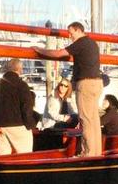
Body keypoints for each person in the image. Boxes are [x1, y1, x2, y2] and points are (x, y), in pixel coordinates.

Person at [35, 22, 102, 156]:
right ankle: (96, 152)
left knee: (86, 120)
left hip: (86, 83)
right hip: (97, 83)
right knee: (94, 119)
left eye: (71, 33)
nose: (70, 36)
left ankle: (88, 153)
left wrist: (39, 50)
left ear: (78, 30)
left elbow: (59, 53)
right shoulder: (92, 43)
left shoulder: (80, 42)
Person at [0, 58, 38, 155]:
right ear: (20, 69)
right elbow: (26, 109)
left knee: (3, 155)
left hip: (0, 126)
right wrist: (31, 125)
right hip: (18, 126)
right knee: (25, 155)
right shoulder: (22, 85)